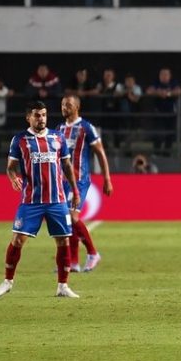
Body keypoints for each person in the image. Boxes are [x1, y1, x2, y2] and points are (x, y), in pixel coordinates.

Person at [0, 100, 82, 298]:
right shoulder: (20, 140)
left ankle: (63, 286)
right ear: (28, 117)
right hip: (31, 200)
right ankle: (7, 281)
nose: (41, 118)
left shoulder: (57, 137)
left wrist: (75, 191)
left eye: (43, 115)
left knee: (63, 241)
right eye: (37, 115)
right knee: (17, 239)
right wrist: (12, 177)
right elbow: (10, 167)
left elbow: (67, 166)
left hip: (57, 200)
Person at [58, 94, 113, 272]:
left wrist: (107, 178)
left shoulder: (86, 128)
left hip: (79, 180)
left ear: (77, 107)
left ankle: (92, 253)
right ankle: (73, 262)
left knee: (73, 217)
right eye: (62, 104)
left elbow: (100, 152)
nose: (64, 107)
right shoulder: (59, 128)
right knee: (68, 221)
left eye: (68, 104)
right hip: (63, 181)